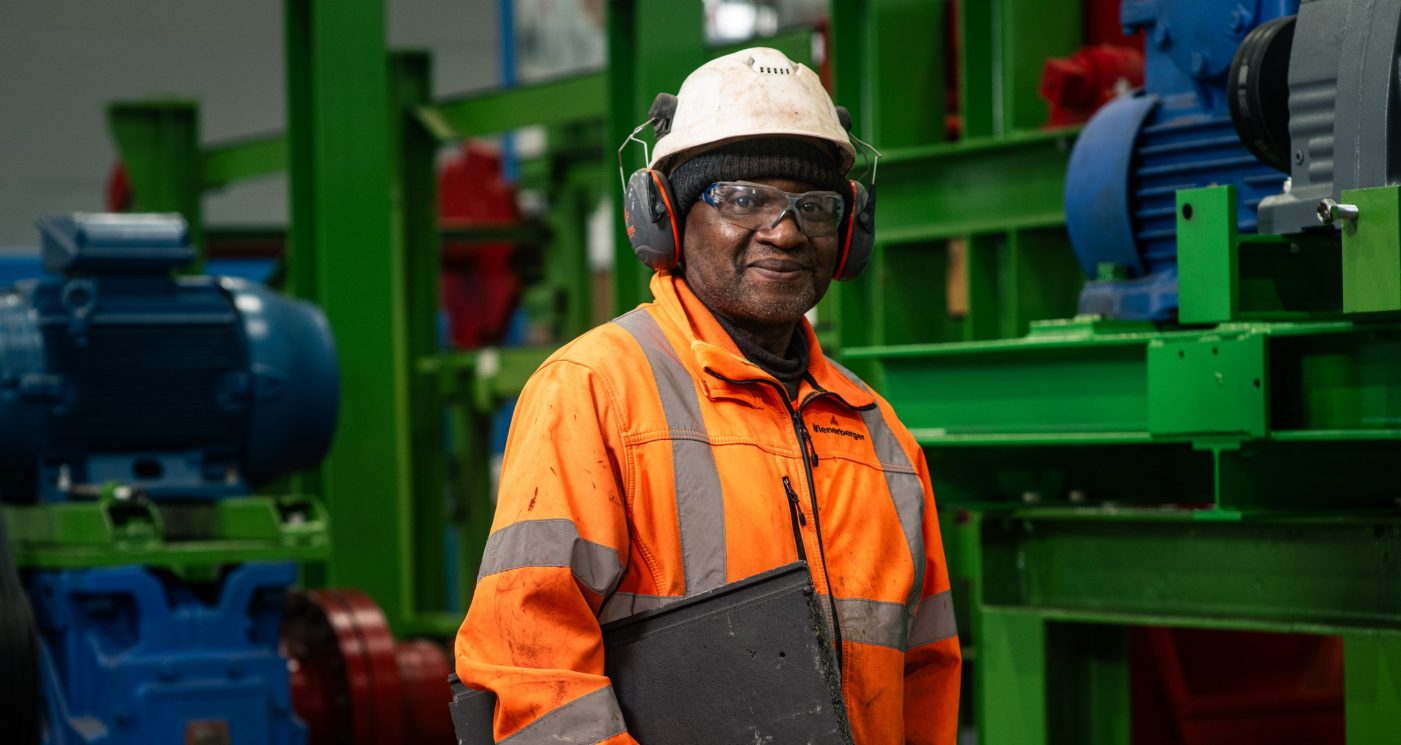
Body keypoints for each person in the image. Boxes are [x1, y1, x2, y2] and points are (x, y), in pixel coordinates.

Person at [454, 47, 961, 744]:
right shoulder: (596, 391)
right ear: (666, 216)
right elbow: (529, 664)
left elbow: (925, 676)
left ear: (849, 233)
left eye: (813, 206)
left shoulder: (880, 436)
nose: (785, 232)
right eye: (743, 198)